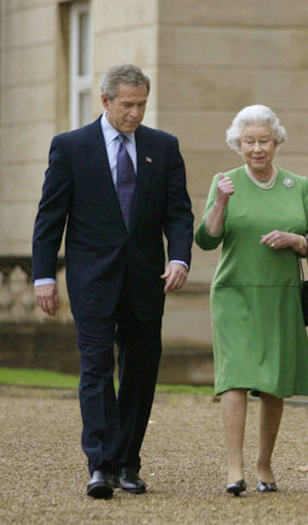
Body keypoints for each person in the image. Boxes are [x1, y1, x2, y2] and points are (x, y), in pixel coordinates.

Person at [32, 63, 194, 499]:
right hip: (92, 280)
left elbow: (178, 212)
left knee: (140, 372)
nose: (136, 113)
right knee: (98, 370)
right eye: (127, 105)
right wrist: (44, 277)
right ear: (104, 101)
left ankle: (127, 463)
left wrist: (180, 257)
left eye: (142, 104)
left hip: (147, 280)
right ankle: (99, 465)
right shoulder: (70, 147)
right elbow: (50, 218)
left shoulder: (163, 147)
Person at [195, 105, 308, 496]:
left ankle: (263, 463)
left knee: (273, 383)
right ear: (238, 144)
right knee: (234, 378)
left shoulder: (297, 185)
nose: (257, 148)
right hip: (234, 293)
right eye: (249, 141)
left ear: (276, 142)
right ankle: (234, 468)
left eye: (264, 141)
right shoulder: (225, 182)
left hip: (280, 297)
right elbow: (206, 239)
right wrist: (219, 202)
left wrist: (294, 240)